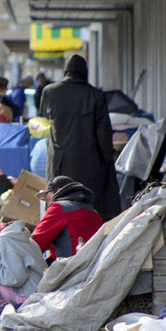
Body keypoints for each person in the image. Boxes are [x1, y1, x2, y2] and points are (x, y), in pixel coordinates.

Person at [40, 54, 121, 221]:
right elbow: (103, 132)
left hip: (59, 163)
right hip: (89, 162)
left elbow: (45, 116)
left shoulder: (49, 92)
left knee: (59, 204)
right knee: (89, 206)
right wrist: (107, 158)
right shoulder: (96, 95)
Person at [33, 176, 103, 264]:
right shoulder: (94, 213)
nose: (50, 202)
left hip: (67, 269)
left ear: (58, 190)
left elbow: (37, 241)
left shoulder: (59, 207)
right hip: (93, 267)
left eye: (49, 197)